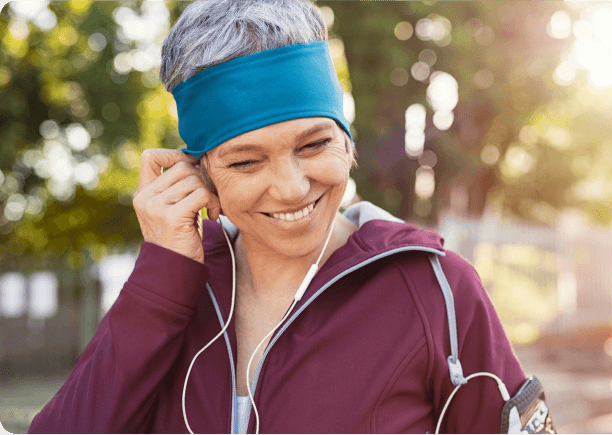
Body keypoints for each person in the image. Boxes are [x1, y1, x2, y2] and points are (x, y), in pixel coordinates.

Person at [29, 0, 555, 433]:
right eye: (246, 160)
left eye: (314, 144)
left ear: (345, 139)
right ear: (199, 170)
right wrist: (163, 275)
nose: (291, 187)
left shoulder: (435, 288)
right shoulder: (173, 288)